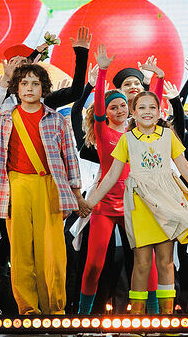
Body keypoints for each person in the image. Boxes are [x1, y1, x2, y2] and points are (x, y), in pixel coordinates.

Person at [80, 89, 188, 314]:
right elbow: (111, 175)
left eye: (152, 107)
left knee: (165, 261)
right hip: (140, 203)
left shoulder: (167, 135)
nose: (147, 111)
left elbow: (184, 165)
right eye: (141, 107)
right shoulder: (127, 139)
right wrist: (90, 202)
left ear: (160, 111)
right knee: (141, 262)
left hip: (166, 201)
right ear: (133, 112)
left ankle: (165, 317)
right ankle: (138, 316)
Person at [0, 60, 84, 315]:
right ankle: (28, 309)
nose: (30, 88)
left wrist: (77, 195)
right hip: (16, 186)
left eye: (35, 83)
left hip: (49, 186)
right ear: (17, 88)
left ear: (44, 88)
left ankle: (54, 309)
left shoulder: (57, 120)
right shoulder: (5, 119)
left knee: (53, 253)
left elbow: (71, 160)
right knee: (21, 251)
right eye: (24, 83)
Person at [73, 38, 135, 315]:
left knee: (144, 263)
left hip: (133, 204)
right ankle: (83, 316)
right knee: (94, 265)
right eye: (114, 107)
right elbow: (97, 104)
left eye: (123, 106)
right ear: (105, 113)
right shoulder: (103, 131)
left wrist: (157, 81)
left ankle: (151, 315)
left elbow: (154, 109)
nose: (120, 110)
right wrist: (102, 73)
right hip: (104, 204)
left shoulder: (137, 132)